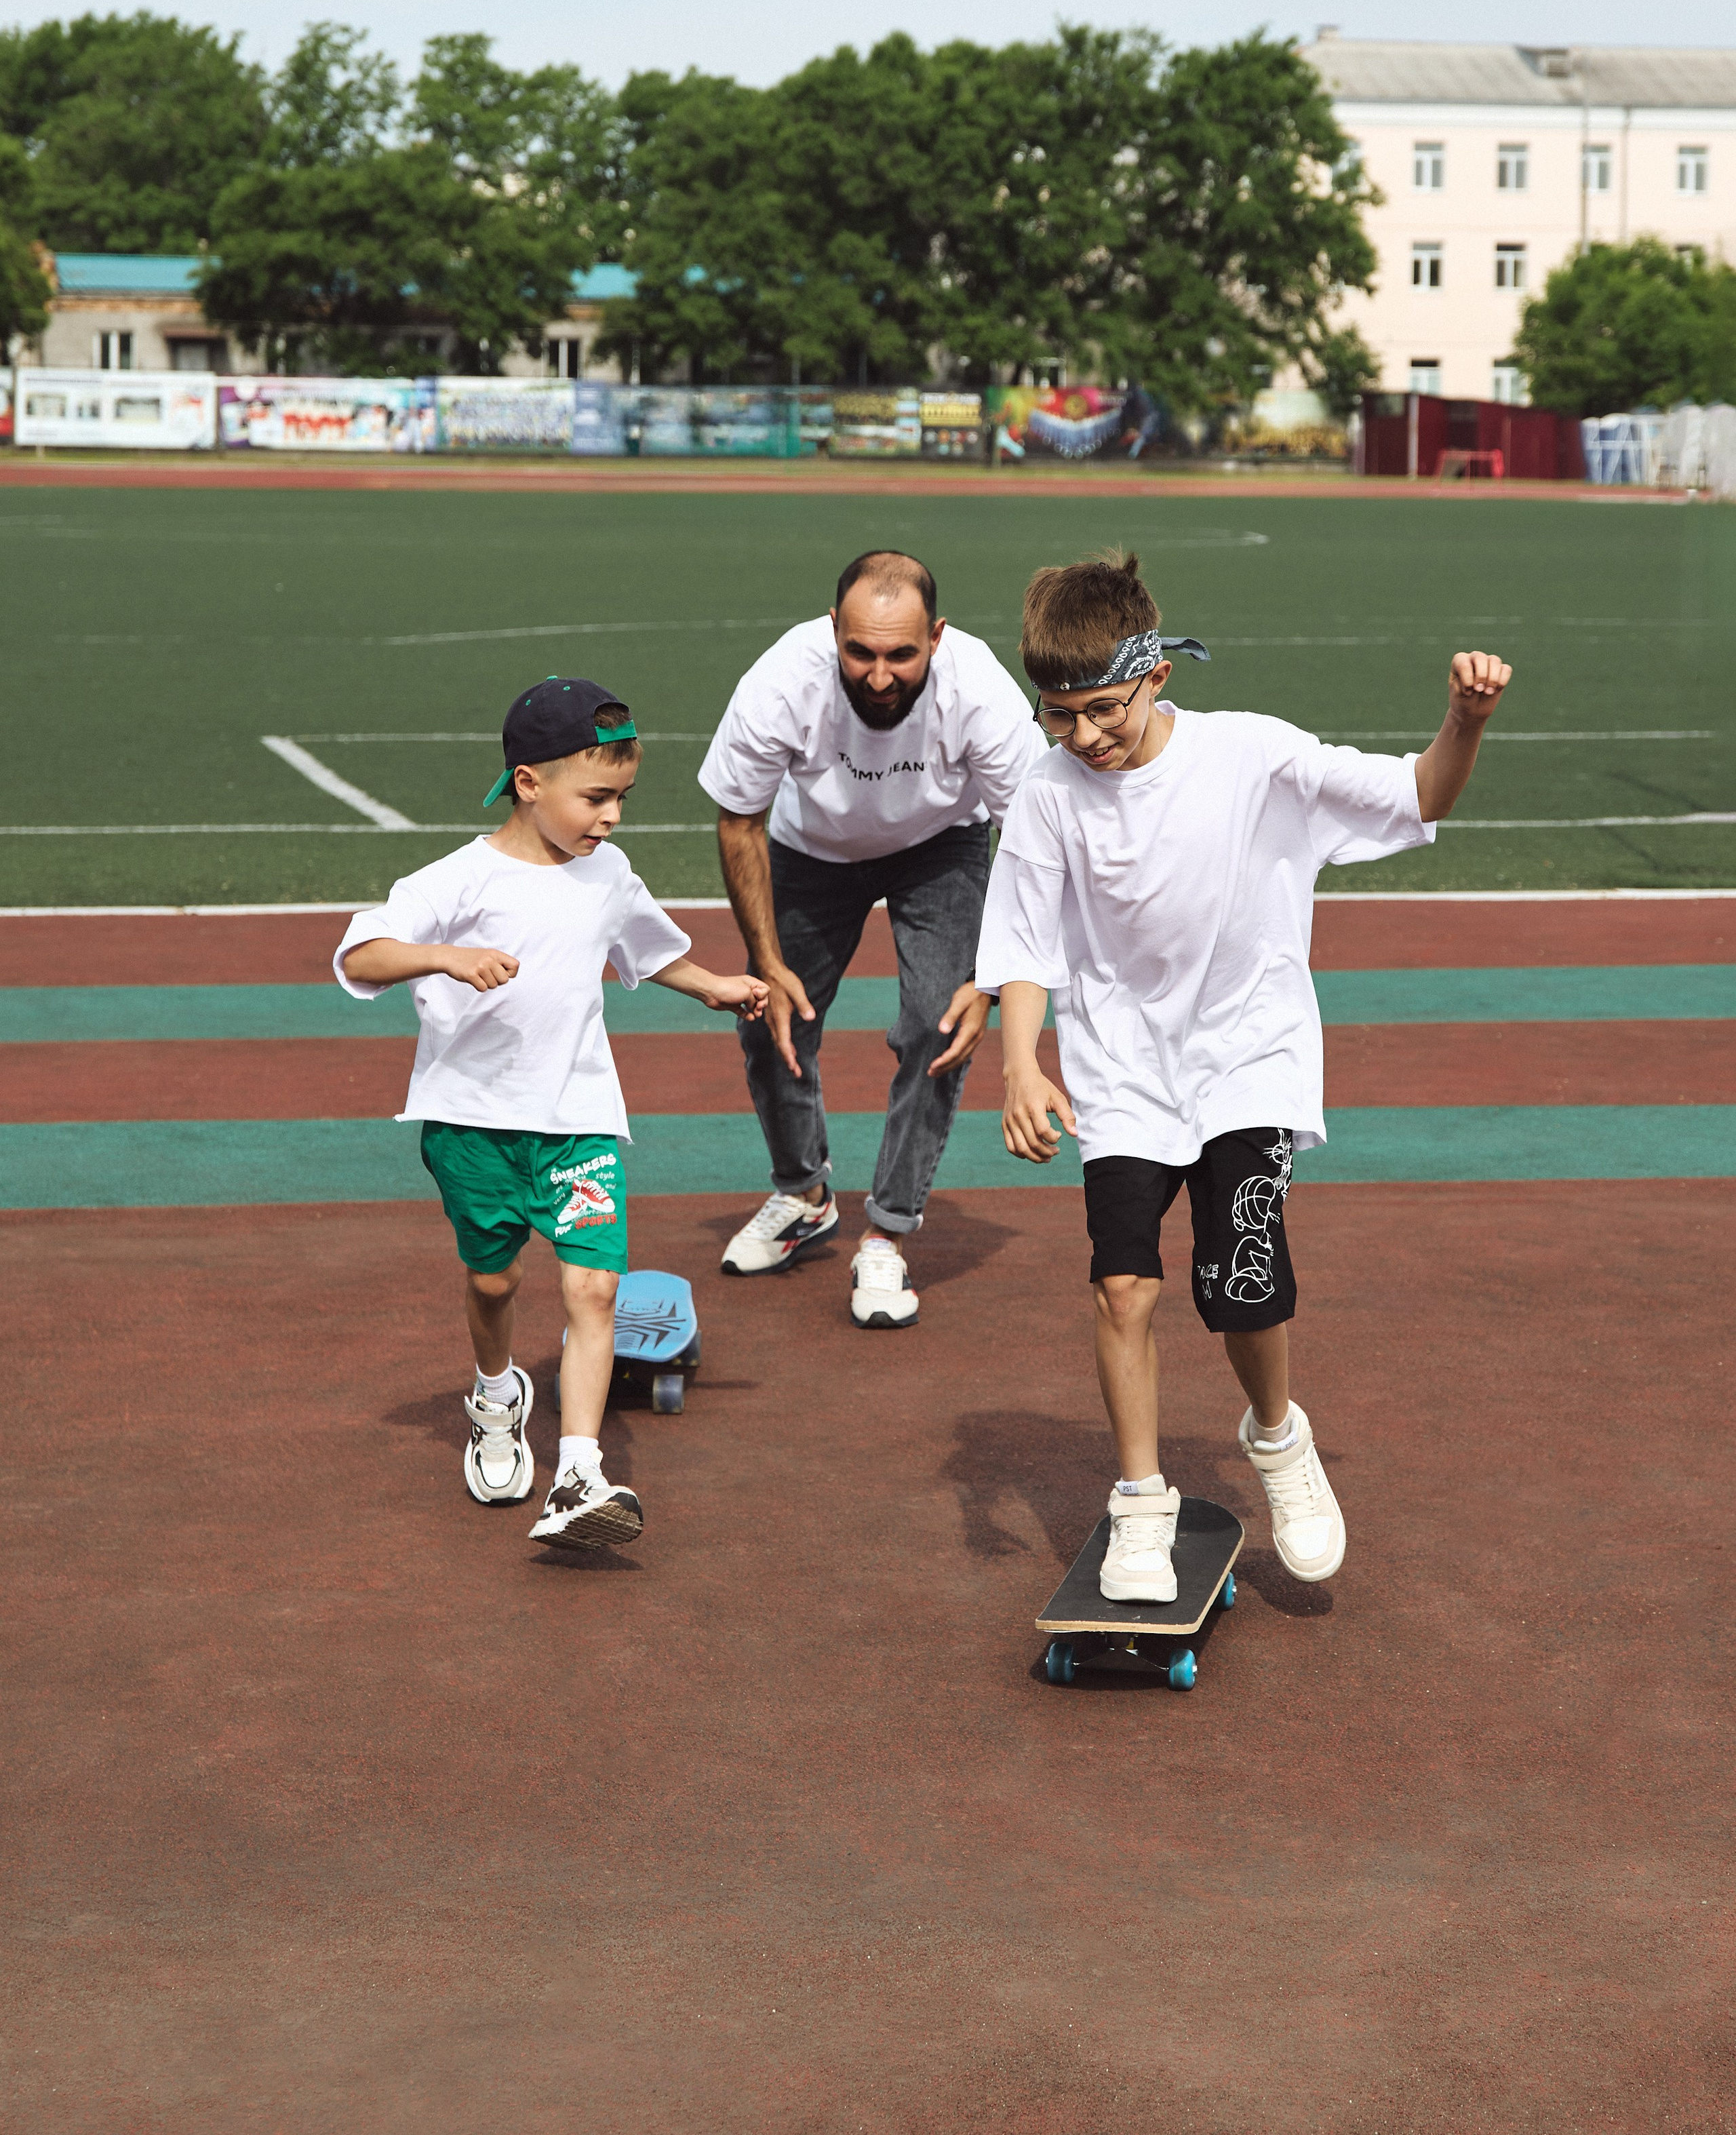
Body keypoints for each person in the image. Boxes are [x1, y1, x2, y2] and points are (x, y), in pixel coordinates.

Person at [976, 550, 1512, 1599]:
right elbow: (1025, 944)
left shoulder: (1254, 756)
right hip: (1122, 1072)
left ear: (1157, 675)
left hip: (1247, 1058)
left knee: (1244, 1289)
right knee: (1122, 1286)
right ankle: (1140, 1504)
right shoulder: (1047, 794)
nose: (1085, 735)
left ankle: (1276, 1437)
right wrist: (1021, 1066)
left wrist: (1466, 720)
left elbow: (1419, 792)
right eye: (1060, 716)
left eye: (1104, 710)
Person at [334, 676, 767, 1554]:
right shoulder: (459, 878)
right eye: (596, 797)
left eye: (623, 798)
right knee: (495, 1282)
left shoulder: (608, 875)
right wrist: (444, 957)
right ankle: (497, 1396)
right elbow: (362, 954)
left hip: (577, 1117)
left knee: (593, 1286)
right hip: (471, 1123)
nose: (612, 817)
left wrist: (713, 986)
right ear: (529, 783)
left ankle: (579, 1473)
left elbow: (647, 948)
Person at [699, 549, 1048, 1328]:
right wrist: (767, 963)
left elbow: (1032, 840)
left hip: (941, 845)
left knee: (937, 1026)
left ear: (936, 637)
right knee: (768, 1017)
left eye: (901, 655)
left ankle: (887, 1232)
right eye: (860, 652)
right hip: (810, 849)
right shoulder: (781, 683)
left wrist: (991, 978)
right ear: (833, 631)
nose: (880, 676)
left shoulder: (979, 691)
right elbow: (739, 819)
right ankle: (804, 1195)